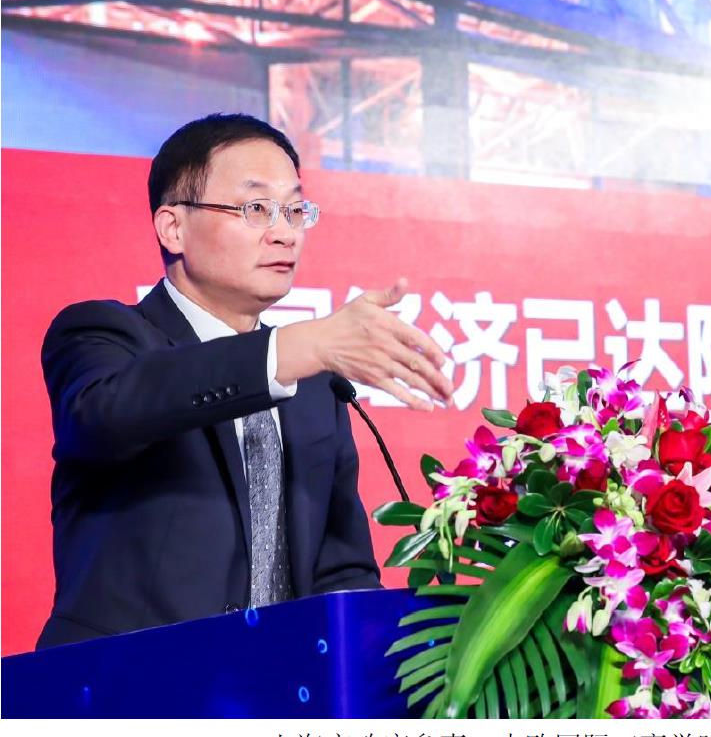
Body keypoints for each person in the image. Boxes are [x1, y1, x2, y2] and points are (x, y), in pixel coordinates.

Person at [37, 113, 454, 649]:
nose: (284, 233)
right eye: (256, 209)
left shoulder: (313, 382)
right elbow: (107, 415)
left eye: (295, 210)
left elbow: (339, 568)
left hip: (280, 686)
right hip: (126, 682)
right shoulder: (102, 334)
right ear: (173, 228)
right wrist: (294, 350)